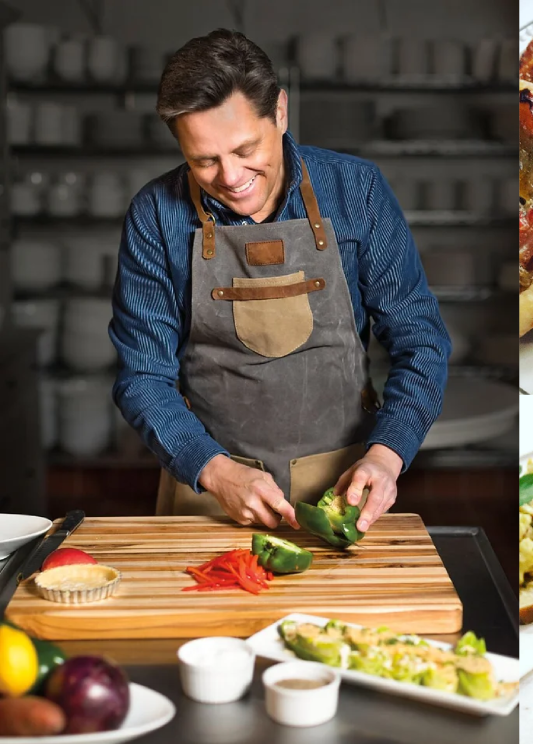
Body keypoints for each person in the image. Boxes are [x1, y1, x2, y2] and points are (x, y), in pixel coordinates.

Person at [110, 29, 450, 533]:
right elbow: (142, 376)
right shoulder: (155, 215)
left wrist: (388, 454)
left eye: (246, 149)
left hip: (345, 490)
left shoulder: (356, 191)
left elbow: (421, 342)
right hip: (210, 493)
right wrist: (215, 470)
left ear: (281, 113)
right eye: (204, 159)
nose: (230, 176)